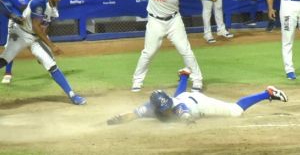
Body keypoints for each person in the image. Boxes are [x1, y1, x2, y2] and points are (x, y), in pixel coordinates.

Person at [130, 0, 217, 92]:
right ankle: (137, 82)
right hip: (155, 21)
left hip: (173, 21)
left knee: (185, 50)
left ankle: (197, 80)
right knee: (148, 52)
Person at [0, 0, 86, 105]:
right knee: (4, 60)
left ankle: (72, 95)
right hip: (20, 33)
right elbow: (36, 26)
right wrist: (52, 46)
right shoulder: (40, 2)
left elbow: (44, 27)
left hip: (34, 38)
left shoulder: (54, 6)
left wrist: (45, 48)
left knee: (51, 64)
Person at [107, 68, 288, 125]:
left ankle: (267, 93)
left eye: (167, 107)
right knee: (181, 96)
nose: (167, 110)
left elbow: (187, 120)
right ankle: (184, 76)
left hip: (199, 103)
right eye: (164, 109)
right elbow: (132, 114)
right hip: (184, 96)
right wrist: (116, 120)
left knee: (236, 111)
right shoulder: (151, 107)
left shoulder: (178, 108)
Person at [1, 0, 47, 84]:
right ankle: (8, 72)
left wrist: (34, 9)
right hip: (17, 15)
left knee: (40, 40)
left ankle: (48, 63)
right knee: (11, 44)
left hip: (32, 16)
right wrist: (21, 7)